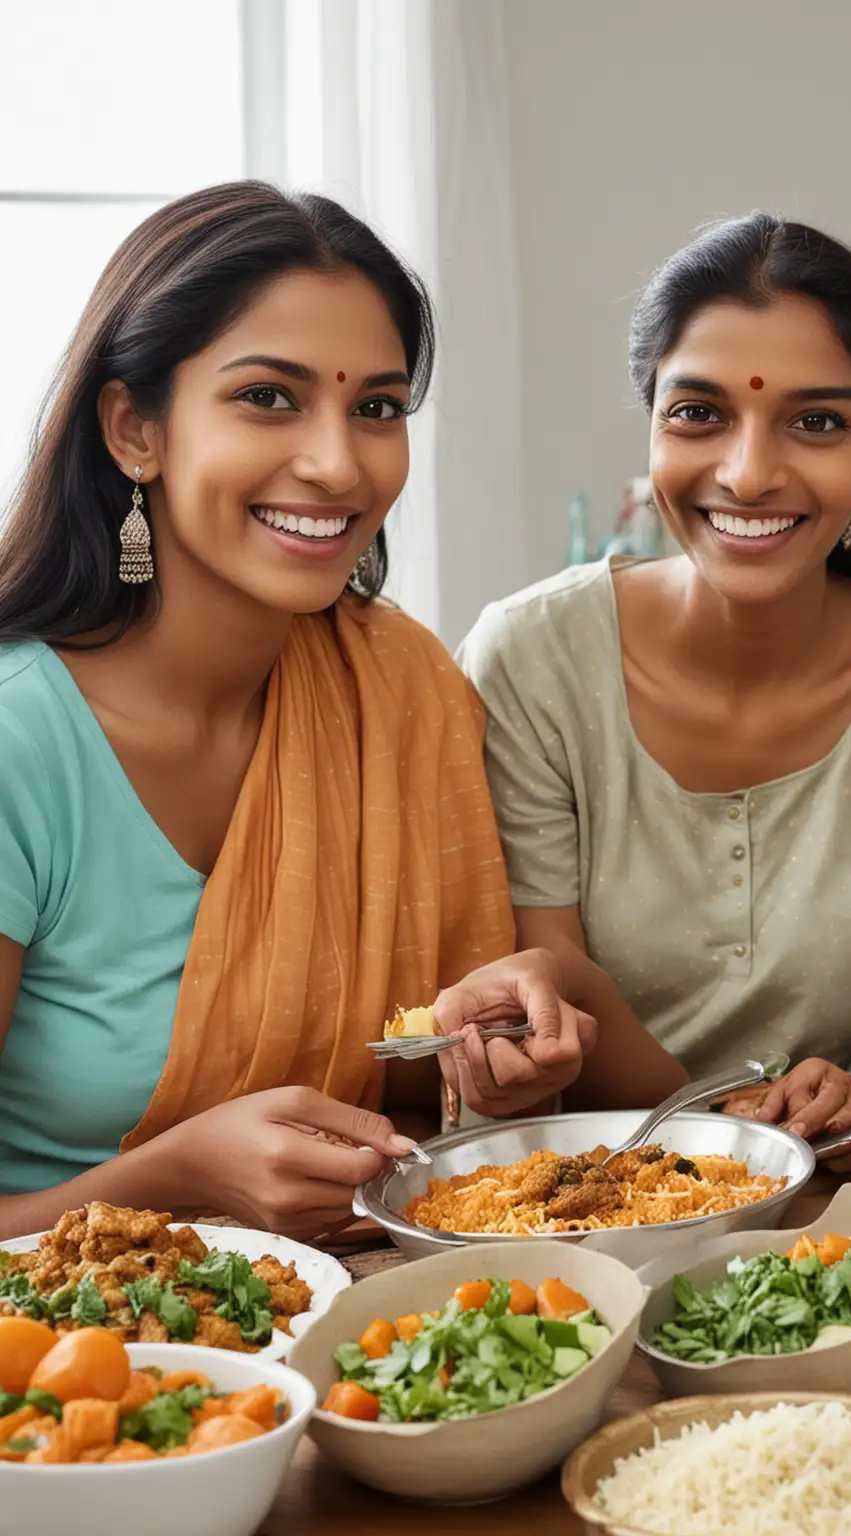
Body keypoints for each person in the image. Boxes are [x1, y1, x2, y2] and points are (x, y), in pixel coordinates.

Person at [0, 183, 663, 1242]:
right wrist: (176, 1176)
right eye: (269, 397)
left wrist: (485, 1079)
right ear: (134, 429)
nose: (339, 462)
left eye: (377, 407)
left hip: (374, 1319)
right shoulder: (18, 743)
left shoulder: (400, 687)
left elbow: (419, 1110)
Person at [457, 213, 851, 1167]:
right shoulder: (531, 657)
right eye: (698, 413)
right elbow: (557, 1012)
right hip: (576, 1208)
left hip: (829, 1223)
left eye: (816, 422)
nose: (751, 473)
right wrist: (729, 1137)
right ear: (649, 423)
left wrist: (839, 1107)